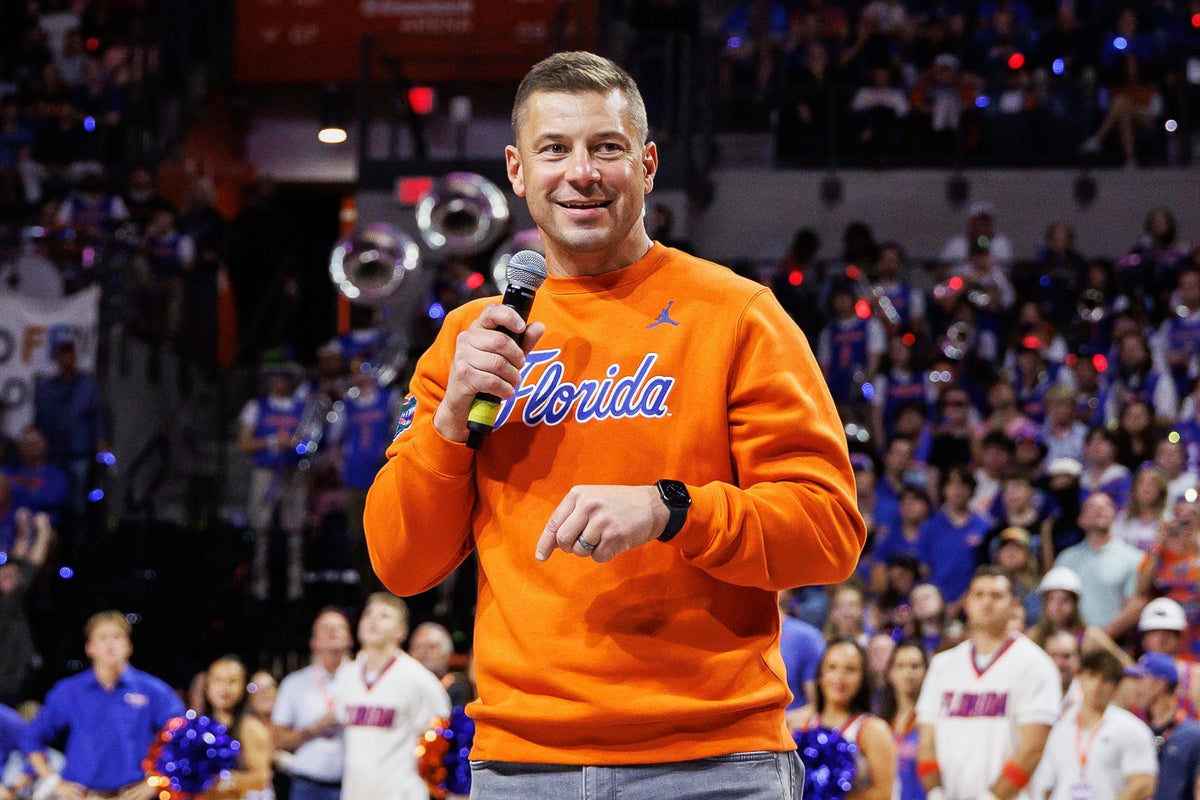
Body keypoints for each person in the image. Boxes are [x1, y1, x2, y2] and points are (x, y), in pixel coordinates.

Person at [364, 50, 865, 797]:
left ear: (649, 163)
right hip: (523, 764)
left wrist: (673, 509)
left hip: (714, 761)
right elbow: (401, 564)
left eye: (607, 147)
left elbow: (827, 534)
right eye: (554, 149)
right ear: (516, 169)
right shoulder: (473, 341)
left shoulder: (737, 316)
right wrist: (447, 424)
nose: (582, 173)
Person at [916, 566, 1061, 800]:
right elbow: (926, 743)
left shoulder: (1036, 664)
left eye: (996, 596)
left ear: (1014, 605)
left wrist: (991, 798)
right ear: (967, 603)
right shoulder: (942, 665)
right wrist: (935, 793)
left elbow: (1032, 750)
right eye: (979, 595)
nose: (986, 603)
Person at [23, 610, 185, 800]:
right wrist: (53, 782)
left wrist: (157, 781)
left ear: (129, 646)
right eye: (102, 638)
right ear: (89, 648)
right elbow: (31, 738)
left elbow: (182, 739)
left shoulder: (154, 691)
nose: (110, 644)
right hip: (85, 795)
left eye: (117, 637)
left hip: (133, 795)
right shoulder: (70, 691)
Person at [333, 593, 450, 800]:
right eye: (368, 614)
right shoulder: (346, 675)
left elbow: (442, 740)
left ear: (401, 632)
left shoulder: (419, 679)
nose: (373, 620)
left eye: (384, 616)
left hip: (401, 793)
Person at [1031, 649, 1157, 800]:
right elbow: (1045, 786)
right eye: (1092, 676)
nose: (1097, 686)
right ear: (1080, 677)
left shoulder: (1132, 729)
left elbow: (1143, 783)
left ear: (1116, 687)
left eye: (1105, 680)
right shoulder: (1059, 727)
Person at [787, 638, 897, 800]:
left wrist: (830, 793)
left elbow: (884, 794)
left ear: (863, 677)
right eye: (832, 667)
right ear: (820, 675)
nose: (840, 677)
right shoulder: (799, 725)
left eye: (850, 669)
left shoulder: (873, 729)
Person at [237, 361, 308, 603]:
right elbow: (243, 443)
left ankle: (295, 590)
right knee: (260, 530)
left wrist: (295, 443)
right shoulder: (256, 407)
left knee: (295, 532)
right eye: (275, 376)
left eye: (284, 376)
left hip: (293, 471)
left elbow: (311, 441)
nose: (279, 381)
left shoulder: (301, 408)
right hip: (266, 471)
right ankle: (259, 588)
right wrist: (271, 441)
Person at [270, 607, 353, 800]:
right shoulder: (294, 683)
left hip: (354, 784)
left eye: (338, 627)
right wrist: (316, 727)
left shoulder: (364, 681)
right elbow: (277, 740)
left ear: (350, 638)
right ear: (313, 642)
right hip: (307, 785)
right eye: (325, 628)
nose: (332, 632)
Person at [1054, 492, 1146, 639]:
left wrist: (1100, 638)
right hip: (1070, 642)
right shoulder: (1066, 558)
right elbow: (1053, 601)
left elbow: (1136, 605)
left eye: (1106, 506)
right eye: (1092, 507)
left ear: (1115, 516)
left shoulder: (1134, 558)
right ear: (1080, 519)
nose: (1099, 510)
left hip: (1115, 643)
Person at [1123, 653, 1200, 800]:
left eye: (1141, 679)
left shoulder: (1193, 736)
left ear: (1160, 684)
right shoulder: (1139, 732)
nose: (1136, 687)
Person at [195, 656, 272, 800]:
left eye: (232, 681)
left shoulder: (250, 727)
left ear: (243, 687)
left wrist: (220, 780)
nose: (224, 688)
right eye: (218, 680)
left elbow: (261, 778)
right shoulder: (196, 727)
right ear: (207, 685)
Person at [879, 640, 929, 800]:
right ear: (890, 673)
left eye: (915, 666)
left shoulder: (933, 722)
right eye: (900, 666)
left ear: (927, 671)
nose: (907, 673)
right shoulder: (880, 723)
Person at [407, 621, 473, 707]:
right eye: (418, 646)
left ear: (447, 653)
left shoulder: (461, 689)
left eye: (432, 646)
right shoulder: (401, 686)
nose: (423, 652)